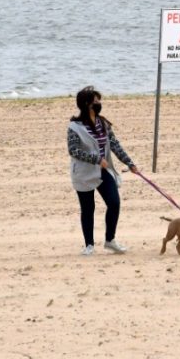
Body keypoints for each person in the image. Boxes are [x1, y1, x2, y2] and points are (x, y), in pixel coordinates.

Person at [67, 86, 138, 256]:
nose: (99, 103)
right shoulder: (74, 127)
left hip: (103, 171)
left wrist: (129, 163)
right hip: (83, 173)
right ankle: (89, 245)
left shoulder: (103, 123)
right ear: (87, 104)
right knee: (88, 208)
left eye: (99, 100)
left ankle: (110, 240)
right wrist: (96, 159)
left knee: (114, 203)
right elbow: (73, 150)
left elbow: (114, 145)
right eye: (96, 101)